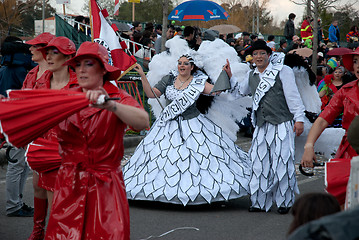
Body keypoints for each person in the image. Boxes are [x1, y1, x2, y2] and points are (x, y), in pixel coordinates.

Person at [44, 41, 149, 239]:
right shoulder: (64, 99)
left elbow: (142, 121)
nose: (81, 70)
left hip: (105, 188)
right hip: (69, 186)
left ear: (103, 70)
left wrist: (111, 106)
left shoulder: (118, 97)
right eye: (78, 65)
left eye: (89, 64)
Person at [123, 54, 251, 205]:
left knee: (198, 161)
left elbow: (216, 91)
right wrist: (143, 76)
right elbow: (152, 94)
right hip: (167, 126)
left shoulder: (198, 81)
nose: (181, 66)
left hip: (193, 125)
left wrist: (226, 74)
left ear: (192, 67)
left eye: (185, 64)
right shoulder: (169, 79)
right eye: (179, 63)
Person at [224, 40, 306, 214]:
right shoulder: (251, 75)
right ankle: (259, 202)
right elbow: (239, 92)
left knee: (282, 162)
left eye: (262, 53)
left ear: (269, 55)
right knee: (259, 163)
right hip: (261, 125)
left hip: (282, 122)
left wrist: (299, 119)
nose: (259, 57)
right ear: (252, 58)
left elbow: (293, 96)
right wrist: (230, 76)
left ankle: (285, 202)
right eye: (255, 54)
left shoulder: (283, 71)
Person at [26, 36, 78, 239]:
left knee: (68, 209)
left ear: (68, 57)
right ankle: (40, 231)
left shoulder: (80, 85)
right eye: (47, 51)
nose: (48, 56)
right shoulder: (39, 83)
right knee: (46, 196)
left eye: (54, 52)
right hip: (45, 151)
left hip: (71, 155)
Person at [301, 48, 359, 205]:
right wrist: (309, 146)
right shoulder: (346, 92)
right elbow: (322, 120)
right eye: (355, 61)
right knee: (343, 201)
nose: (358, 66)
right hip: (350, 153)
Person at [1, 36, 35, 218]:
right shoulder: (21, 69)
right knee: (17, 164)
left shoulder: (5, 68)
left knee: (20, 163)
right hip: (19, 121)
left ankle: (18, 202)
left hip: (10, 120)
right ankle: (14, 205)